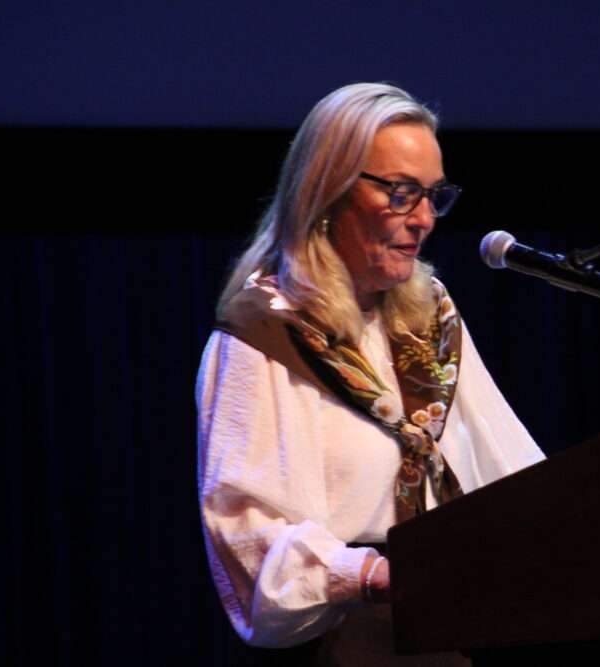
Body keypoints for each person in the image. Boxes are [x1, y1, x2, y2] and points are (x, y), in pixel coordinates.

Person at [196, 82, 545, 665]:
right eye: (403, 193)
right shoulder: (263, 334)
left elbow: (504, 465)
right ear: (327, 191)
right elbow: (248, 533)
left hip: (448, 622)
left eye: (435, 196)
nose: (426, 219)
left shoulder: (430, 317)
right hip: (344, 640)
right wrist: (372, 574)